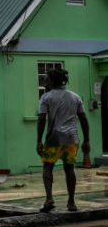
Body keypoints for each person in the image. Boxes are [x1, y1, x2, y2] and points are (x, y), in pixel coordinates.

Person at [37, 68, 89, 212]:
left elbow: (42, 119)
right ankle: (71, 203)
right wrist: (87, 140)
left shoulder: (46, 98)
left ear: (52, 81)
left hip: (54, 138)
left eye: (46, 80)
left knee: (48, 166)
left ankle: (49, 199)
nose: (44, 83)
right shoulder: (75, 97)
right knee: (69, 169)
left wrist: (39, 140)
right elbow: (83, 119)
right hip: (72, 138)